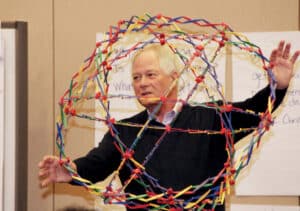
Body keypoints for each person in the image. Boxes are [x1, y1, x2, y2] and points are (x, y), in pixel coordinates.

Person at [39, 41, 299, 211]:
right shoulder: (125, 131)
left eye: (151, 75)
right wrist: (70, 171)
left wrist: (278, 85)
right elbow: (95, 165)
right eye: (136, 77)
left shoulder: (211, 119)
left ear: (174, 78)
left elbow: (253, 112)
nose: (142, 83)